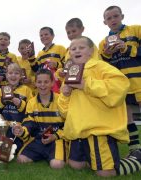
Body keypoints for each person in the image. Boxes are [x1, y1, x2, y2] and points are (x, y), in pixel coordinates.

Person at [58, 36, 141, 177]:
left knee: (105, 173)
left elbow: (121, 85)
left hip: (98, 129)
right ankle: (98, 160)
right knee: (75, 165)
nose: (76, 50)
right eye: (73, 48)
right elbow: (64, 111)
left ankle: (137, 160)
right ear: (69, 53)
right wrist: (65, 95)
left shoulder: (100, 66)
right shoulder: (69, 74)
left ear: (91, 51)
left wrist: (86, 84)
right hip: (78, 130)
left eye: (81, 47)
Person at [99, 5, 141, 153]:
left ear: (122, 16)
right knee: (128, 118)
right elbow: (104, 67)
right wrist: (107, 55)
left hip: (139, 81)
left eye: (115, 16)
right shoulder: (103, 43)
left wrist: (126, 48)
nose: (113, 20)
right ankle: (135, 150)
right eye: (109, 18)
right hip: (122, 86)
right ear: (105, 22)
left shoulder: (136, 30)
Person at [12, 69, 65, 169]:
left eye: (46, 82)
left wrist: (55, 136)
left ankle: (51, 156)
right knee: (21, 160)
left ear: (52, 83)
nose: (42, 85)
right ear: (35, 83)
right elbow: (29, 123)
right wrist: (22, 131)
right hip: (38, 139)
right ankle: (43, 154)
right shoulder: (32, 102)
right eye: (39, 82)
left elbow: (68, 125)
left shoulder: (61, 100)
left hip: (56, 139)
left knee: (57, 165)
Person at [0, 63, 33, 152]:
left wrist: (20, 104)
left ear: (21, 76)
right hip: (5, 126)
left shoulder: (26, 90)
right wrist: (2, 102)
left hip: (19, 126)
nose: (13, 75)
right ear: (6, 75)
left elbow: (30, 109)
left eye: (16, 73)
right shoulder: (1, 90)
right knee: (0, 149)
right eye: (10, 73)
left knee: (16, 148)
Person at [30, 27, 66, 93]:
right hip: (45, 86)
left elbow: (67, 64)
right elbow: (36, 69)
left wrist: (57, 64)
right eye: (41, 35)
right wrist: (31, 56)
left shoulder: (60, 48)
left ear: (52, 36)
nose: (43, 36)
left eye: (46, 34)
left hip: (60, 85)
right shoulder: (40, 54)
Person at [0, 32, 18, 98]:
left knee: (5, 103)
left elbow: (16, 71)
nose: (3, 41)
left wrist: (4, 76)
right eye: (1, 39)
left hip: (7, 86)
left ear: (9, 43)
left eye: (5, 39)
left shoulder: (13, 56)